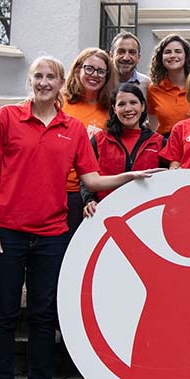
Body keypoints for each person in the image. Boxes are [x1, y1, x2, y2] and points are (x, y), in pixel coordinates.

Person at [0, 56, 160, 379]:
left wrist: (131, 175)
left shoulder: (74, 128)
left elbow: (92, 180)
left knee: (44, 317)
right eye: (38, 76)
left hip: (53, 233)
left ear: (61, 83)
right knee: (3, 316)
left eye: (51, 77)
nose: (44, 82)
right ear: (31, 81)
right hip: (8, 232)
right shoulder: (7, 118)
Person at [81, 83, 166, 217]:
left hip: (147, 215)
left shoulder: (159, 142)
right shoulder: (99, 140)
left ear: (143, 106)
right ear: (114, 109)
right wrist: (89, 200)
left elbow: (167, 180)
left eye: (133, 102)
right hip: (105, 214)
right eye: (121, 104)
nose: (128, 109)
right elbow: (86, 178)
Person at [63, 48, 117, 237]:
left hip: (85, 194)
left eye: (101, 71)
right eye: (89, 69)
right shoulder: (60, 102)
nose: (95, 75)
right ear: (78, 69)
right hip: (55, 189)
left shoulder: (111, 111)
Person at [148, 34, 190, 136]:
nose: (173, 55)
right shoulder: (154, 88)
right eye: (168, 52)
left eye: (178, 51)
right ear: (161, 58)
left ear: (186, 56)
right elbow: (153, 126)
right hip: (166, 144)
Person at [110, 31, 151, 100]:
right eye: (121, 52)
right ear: (111, 56)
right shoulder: (103, 82)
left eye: (132, 52)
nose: (126, 58)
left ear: (138, 57)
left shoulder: (147, 85)